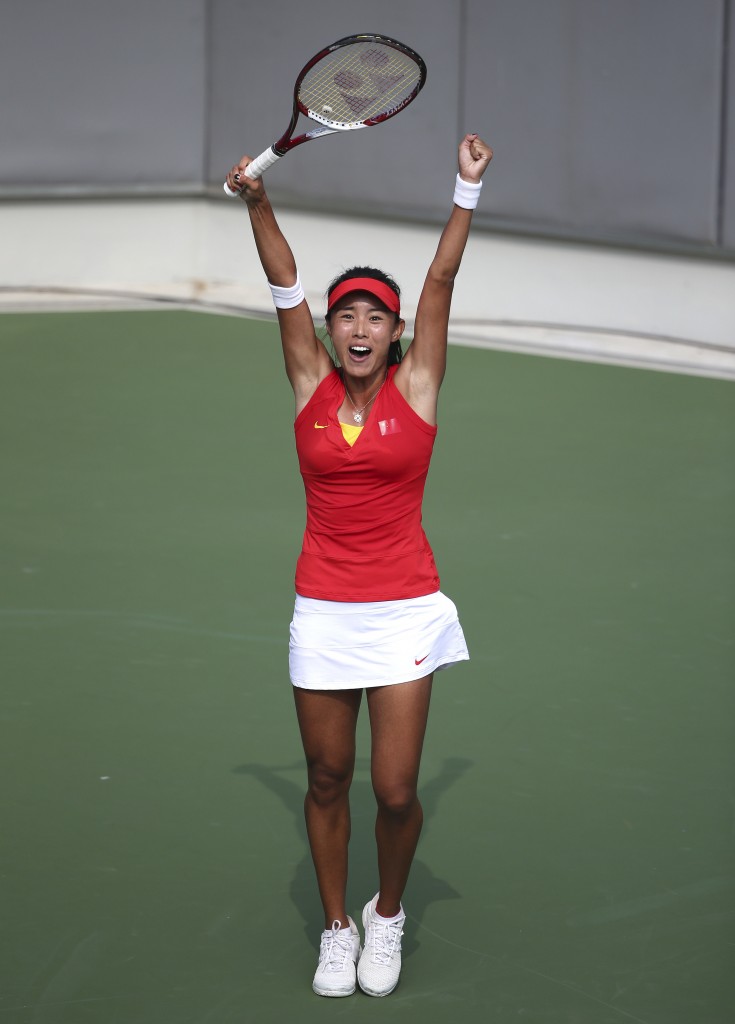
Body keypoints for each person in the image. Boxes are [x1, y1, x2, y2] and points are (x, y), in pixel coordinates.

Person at [225, 133, 493, 998]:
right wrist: (258, 202)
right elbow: (283, 288)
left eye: (376, 315)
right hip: (325, 610)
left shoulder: (418, 388)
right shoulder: (308, 385)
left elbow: (442, 283)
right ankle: (338, 928)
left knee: (396, 788)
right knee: (328, 777)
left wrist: (464, 188)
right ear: (331, 330)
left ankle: (389, 913)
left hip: (404, 607)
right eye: (346, 315)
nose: (359, 327)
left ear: (395, 332)